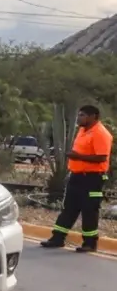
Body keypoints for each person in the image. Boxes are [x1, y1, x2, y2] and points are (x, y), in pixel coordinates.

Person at [41, 104, 112, 253]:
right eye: (79, 115)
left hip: (93, 179)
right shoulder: (82, 131)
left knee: (89, 210)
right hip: (77, 176)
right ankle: (57, 238)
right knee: (69, 208)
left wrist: (77, 156)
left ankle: (90, 243)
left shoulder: (101, 133)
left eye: (82, 115)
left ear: (93, 117)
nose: (79, 118)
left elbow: (101, 157)